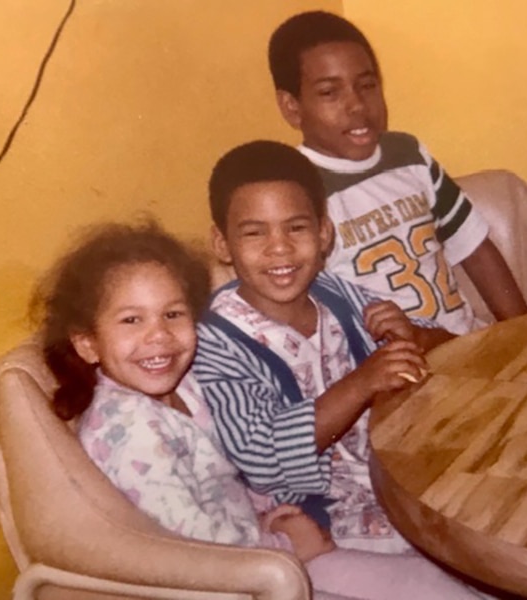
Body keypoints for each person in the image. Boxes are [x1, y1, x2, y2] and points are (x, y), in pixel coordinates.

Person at [33, 220, 482, 600]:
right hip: (241, 579)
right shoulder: (131, 429)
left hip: (264, 543)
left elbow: (224, 474)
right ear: (87, 343)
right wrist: (284, 542)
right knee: (430, 586)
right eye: (132, 320)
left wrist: (271, 514)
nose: (159, 337)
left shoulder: (183, 385)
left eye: (172, 314)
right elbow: (194, 548)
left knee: (433, 575)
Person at [194, 140, 455, 557]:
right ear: (222, 243)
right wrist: (364, 381)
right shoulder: (213, 340)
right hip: (329, 525)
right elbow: (260, 456)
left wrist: (415, 336)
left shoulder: (331, 291)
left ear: (323, 233)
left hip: (404, 479)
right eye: (254, 232)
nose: (279, 247)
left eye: (295, 228)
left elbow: (452, 346)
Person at [267, 11, 527, 335]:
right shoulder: (295, 192)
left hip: (466, 343)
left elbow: (474, 248)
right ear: (292, 107)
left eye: (367, 85)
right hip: (395, 369)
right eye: (329, 93)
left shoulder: (408, 155)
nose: (357, 105)